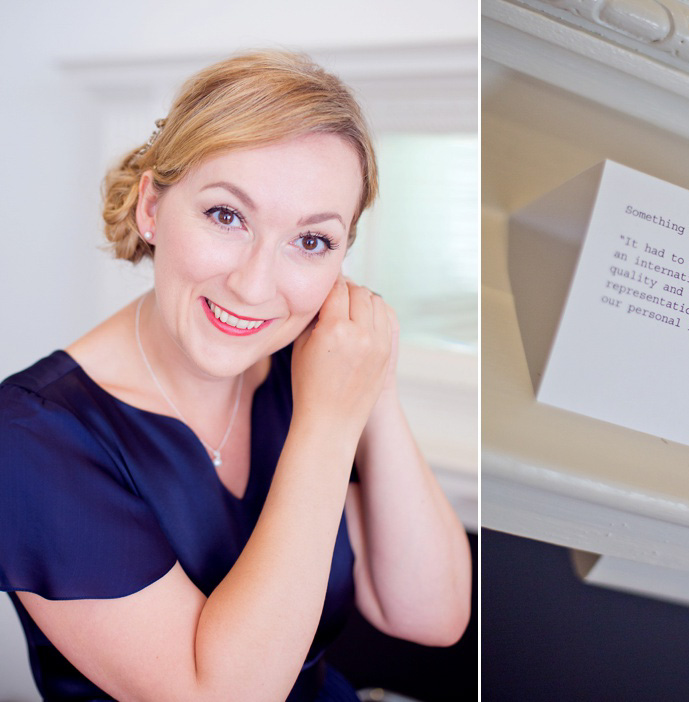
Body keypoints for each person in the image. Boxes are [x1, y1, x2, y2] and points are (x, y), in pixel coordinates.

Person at [0, 50, 472, 701]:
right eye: (227, 216)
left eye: (311, 241)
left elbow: (430, 615)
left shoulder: (315, 364)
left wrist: (374, 378)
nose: (254, 285)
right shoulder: (31, 438)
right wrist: (330, 422)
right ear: (151, 208)